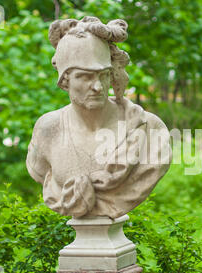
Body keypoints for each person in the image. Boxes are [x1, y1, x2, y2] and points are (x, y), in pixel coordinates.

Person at [26, 16, 171, 219]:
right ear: (65, 80)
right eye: (85, 76)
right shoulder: (47, 129)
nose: (97, 86)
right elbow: (39, 171)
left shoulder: (150, 129)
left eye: (103, 75)